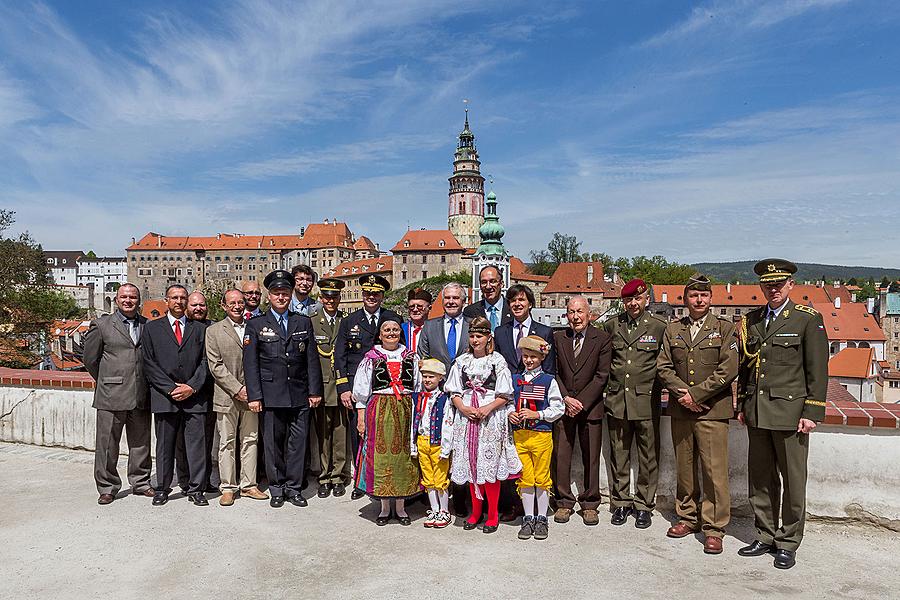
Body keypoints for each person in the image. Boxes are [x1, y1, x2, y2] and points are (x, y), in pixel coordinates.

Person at [736, 259, 828, 570]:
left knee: (793, 481)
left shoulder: (806, 320)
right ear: (761, 287)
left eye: (778, 283)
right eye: (767, 284)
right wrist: (742, 405)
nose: (773, 288)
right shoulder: (753, 320)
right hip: (758, 412)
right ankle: (764, 534)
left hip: (791, 414)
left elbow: (818, 370)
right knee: (760, 479)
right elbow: (746, 368)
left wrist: (812, 411)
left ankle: (788, 542)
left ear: (791, 285)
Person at [656, 275, 738, 555]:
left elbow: (728, 369)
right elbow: (664, 366)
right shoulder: (673, 328)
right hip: (682, 410)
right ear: (685, 299)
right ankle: (688, 517)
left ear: (711, 298)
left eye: (704, 295)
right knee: (685, 470)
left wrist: (697, 395)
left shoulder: (724, 329)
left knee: (714, 472)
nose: (699, 300)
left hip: (713, 411)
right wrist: (684, 395)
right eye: (693, 295)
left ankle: (714, 528)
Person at [244, 270, 323, 508]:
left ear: (290, 296)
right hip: (270, 395)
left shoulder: (302, 321)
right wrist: (255, 396)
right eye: (277, 293)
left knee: (298, 444)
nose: (281, 297)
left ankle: (293, 487)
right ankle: (277, 487)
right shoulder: (256, 324)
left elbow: (311, 359)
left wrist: (315, 391)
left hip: (299, 394)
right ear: (269, 296)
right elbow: (251, 364)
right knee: (273, 444)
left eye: (285, 293)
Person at [445, 316, 521, 534]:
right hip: (467, 417)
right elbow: (454, 391)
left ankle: (493, 513)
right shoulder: (462, 361)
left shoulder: (497, 361)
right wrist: (463, 408)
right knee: (471, 465)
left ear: (489, 337)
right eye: (472, 336)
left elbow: (505, 394)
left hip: (490, 417)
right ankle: (476, 511)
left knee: (489, 467)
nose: (475, 340)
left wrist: (487, 409)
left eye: (479, 336)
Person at [601, 278, 667, 529]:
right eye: (628, 300)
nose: (633, 304)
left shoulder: (659, 326)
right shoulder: (612, 325)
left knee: (648, 456)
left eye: (637, 298)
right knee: (619, 453)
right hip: (618, 399)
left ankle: (643, 505)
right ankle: (620, 502)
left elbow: (665, 365)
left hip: (646, 400)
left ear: (646, 299)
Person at [82, 283, 153, 505]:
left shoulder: (147, 325)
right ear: (116, 300)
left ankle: (140, 482)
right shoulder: (101, 325)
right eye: (124, 297)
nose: (128, 300)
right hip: (110, 394)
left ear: (138, 300)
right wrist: (107, 381)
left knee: (141, 442)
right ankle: (107, 486)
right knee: (107, 444)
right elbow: (90, 360)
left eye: (133, 297)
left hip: (141, 393)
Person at [141, 284, 211, 506]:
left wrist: (191, 386)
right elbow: (148, 363)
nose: (179, 301)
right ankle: (163, 488)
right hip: (164, 397)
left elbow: (206, 362)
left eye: (183, 298)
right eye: (174, 297)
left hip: (195, 397)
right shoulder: (152, 329)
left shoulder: (199, 329)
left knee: (196, 446)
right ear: (166, 301)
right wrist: (170, 388)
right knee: (165, 446)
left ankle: (196, 489)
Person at [334, 274, 402, 500]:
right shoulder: (349, 321)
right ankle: (360, 481)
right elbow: (340, 356)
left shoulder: (392, 318)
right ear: (362, 295)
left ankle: (384, 477)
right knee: (359, 434)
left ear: (382, 296)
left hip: (386, 388)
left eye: (376, 293)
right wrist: (343, 387)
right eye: (367, 293)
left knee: (384, 435)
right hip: (357, 388)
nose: (371, 297)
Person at [353, 318, 422, 525]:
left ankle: (400, 508)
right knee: (381, 455)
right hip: (379, 410)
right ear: (380, 335)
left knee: (403, 457)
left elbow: (417, 385)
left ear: (400, 333)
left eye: (394, 329)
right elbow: (362, 391)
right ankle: (383, 508)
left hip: (405, 410)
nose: (391, 333)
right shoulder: (371, 358)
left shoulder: (411, 356)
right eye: (386, 330)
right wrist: (361, 419)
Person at [552, 295, 612, 526]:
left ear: (589, 314)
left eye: (579, 312)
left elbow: (602, 375)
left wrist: (581, 402)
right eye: (571, 312)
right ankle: (564, 502)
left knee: (591, 458)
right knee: (561, 456)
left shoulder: (602, 339)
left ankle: (590, 503)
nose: (575, 317)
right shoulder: (559, 338)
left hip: (591, 408)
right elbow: (554, 372)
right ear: (566, 315)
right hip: (564, 406)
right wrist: (566, 398)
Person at [205, 289, 268, 506]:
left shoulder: (255, 326)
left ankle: (249, 485)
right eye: (232, 302)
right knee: (227, 443)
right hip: (226, 396)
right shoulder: (213, 331)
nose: (237, 306)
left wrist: (252, 390)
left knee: (251, 440)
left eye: (240, 302)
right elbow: (215, 366)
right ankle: (228, 487)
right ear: (223, 305)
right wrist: (238, 389)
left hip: (252, 395)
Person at [417, 282, 470, 517]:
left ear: (463, 301)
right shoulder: (429, 327)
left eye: (455, 298)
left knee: (461, 447)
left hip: (465, 396)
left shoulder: (472, 326)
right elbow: (423, 358)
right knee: (438, 450)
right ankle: (436, 501)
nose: (450, 301)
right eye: (447, 298)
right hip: (436, 398)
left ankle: (460, 497)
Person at [509, 335, 564, 541]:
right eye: (525, 356)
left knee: (541, 477)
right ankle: (528, 516)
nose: (529, 360)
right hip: (520, 435)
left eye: (533, 356)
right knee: (525, 478)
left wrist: (538, 414)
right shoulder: (515, 379)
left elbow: (558, 408)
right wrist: (510, 414)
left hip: (541, 433)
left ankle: (542, 517)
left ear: (541, 358)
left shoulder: (548, 380)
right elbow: (507, 402)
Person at [311, 278, 350, 498]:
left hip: (341, 386)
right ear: (321, 298)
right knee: (323, 434)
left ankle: (338, 476)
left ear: (339, 298)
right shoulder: (312, 321)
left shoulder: (345, 321)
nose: (330, 300)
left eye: (334, 296)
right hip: (322, 387)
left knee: (340, 433)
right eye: (326, 296)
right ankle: (324, 476)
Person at [411, 358, 453, 529]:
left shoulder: (445, 399)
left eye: (431, 377)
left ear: (440, 378)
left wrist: (446, 448)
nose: (427, 380)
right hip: (422, 441)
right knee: (428, 478)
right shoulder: (418, 397)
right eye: (425, 377)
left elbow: (448, 423)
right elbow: (414, 422)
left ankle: (444, 511)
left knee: (440, 479)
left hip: (438, 444)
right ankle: (434, 509)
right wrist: (413, 445)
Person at [494, 284, 555, 375]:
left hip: (534, 386)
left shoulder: (544, 332)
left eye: (521, 300)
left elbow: (549, 369)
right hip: (506, 386)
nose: (517, 304)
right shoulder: (500, 332)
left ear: (530, 304)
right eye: (513, 301)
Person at [462, 265, 512, 330]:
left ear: (501, 284)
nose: (488, 286)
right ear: (480, 285)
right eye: (484, 282)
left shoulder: (512, 309)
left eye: (492, 281)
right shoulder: (470, 312)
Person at [402, 287, 432, 356]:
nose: (415, 310)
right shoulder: (401, 329)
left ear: (429, 308)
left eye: (419, 306)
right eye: (412, 306)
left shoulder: (437, 330)